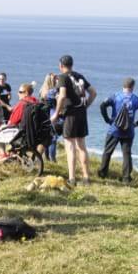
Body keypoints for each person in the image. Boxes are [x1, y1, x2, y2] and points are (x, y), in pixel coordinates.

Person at [51, 55, 97, 185]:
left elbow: (62, 96)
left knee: (70, 146)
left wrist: (56, 114)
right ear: (72, 64)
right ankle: (86, 177)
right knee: (82, 146)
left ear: (61, 66)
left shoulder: (63, 77)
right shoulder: (79, 76)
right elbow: (93, 92)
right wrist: (86, 105)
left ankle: (72, 178)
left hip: (70, 114)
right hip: (81, 113)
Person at [97, 78, 138, 182]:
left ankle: (102, 173)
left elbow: (102, 105)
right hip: (129, 131)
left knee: (107, 152)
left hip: (114, 129)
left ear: (123, 85)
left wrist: (107, 119)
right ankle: (126, 177)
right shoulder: (136, 99)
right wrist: (137, 123)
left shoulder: (116, 96)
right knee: (126, 154)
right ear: (133, 86)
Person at [40, 74, 61, 162]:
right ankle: (53, 159)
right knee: (53, 138)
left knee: (47, 137)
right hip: (52, 114)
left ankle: (47, 157)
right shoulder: (53, 92)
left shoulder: (42, 91)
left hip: (44, 116)